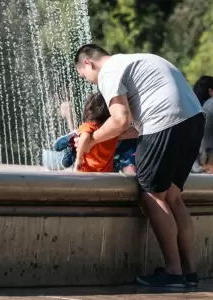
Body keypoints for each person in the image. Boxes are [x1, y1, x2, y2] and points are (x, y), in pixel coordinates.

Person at [74, 44, 204, 288]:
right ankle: (190, 272)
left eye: (84, 76)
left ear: (88, 64)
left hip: (166, 121)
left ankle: (173, 272)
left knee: (152, 196)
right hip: (194, 120)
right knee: (174, 197)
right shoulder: (136, 61)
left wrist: (91, 140)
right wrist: (109, 136)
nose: (90, 82)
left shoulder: (109, 72)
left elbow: (120, 119)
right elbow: (131, 127)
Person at [54, 102, 136, 174]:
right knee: (66, 161)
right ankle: (74, 138)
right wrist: (78, 161)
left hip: (102, 167)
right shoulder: (90, 126)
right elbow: (85, 138)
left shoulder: (115, 130)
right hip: (91, 166)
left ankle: (76, 137)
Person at [74, 93, 118, 172]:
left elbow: (85, 138)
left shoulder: (89, 126)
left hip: (87, 172)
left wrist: (78, 159)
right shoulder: (113, 131)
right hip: (106, 173)